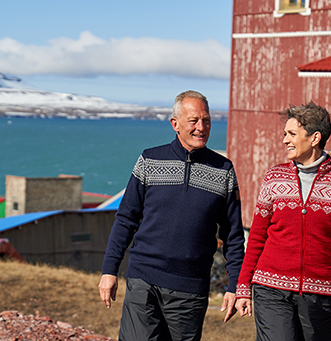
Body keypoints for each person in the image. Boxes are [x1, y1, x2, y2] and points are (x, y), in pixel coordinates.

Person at [98, 90, 246, 341]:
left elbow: (233, 235)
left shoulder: (224, 170)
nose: (201, 128)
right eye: (193, 121)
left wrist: (236, 286)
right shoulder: (149, 160)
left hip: (190, 289)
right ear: (175, 124)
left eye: (206, 120)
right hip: (143, 281)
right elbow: (125, 219)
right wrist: (109, 270)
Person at [234, 102, 331, 341]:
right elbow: (257, 237)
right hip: (271, 289)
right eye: (285, 134)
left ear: (315, 138)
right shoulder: (274, 178)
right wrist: (243, 286)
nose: (285, 140)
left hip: (323, 295)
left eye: (291, 134)